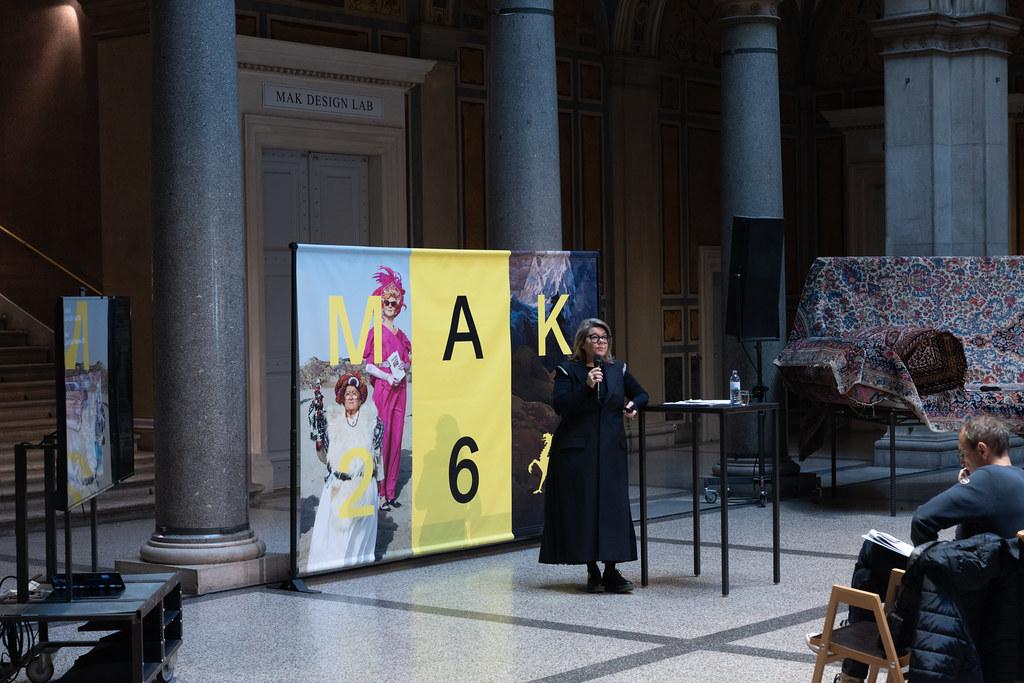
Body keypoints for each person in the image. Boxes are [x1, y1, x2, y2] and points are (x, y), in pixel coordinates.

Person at [829, 414, 1024, 683]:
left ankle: (853, 673)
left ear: (982, 450)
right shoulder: (1019, 478)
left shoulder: (986, 481)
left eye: (963, 455)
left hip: (964, 594)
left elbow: (923, 519)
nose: (962, 462)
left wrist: (927, 563)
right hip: (1003, 595)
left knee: (872, 552)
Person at [538, 317, 649, 593]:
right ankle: (592, 570)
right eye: (594, 338)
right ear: (582, 342)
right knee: (584, 509)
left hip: (611, 450)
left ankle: (611, 570)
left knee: (612, 508)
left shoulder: (617, 369)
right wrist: (586, 386)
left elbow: (641, 394)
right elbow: (561, 405)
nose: (600, 342)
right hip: (578, 453)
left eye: (604, 338)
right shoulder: (567, 370)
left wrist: (633, 405)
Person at [306, 373, 384, 572]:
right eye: (347, 393)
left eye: (354, 393)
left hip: (363, 488)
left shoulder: (372, 423)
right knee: (334, 541)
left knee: (358, 541)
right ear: (341, 397)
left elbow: (377, 456)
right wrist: (318, 441)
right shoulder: (331, 422)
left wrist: (379, 485)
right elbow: (324, 458)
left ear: (361, 398)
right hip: (337, 488)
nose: (350, 397)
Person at [362, 265, 412, 512]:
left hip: (400, 389)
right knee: (382, 438)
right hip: (384, 388)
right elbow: (368, 365)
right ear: (381, 304)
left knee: (396, 438)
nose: (391, 305)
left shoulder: (402, 336)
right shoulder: (375, 332)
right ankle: (379, 493)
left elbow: (407, 361)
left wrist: (404, 367)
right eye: (387, 302)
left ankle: (390, 492)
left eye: (394, 302)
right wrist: (387, 376)